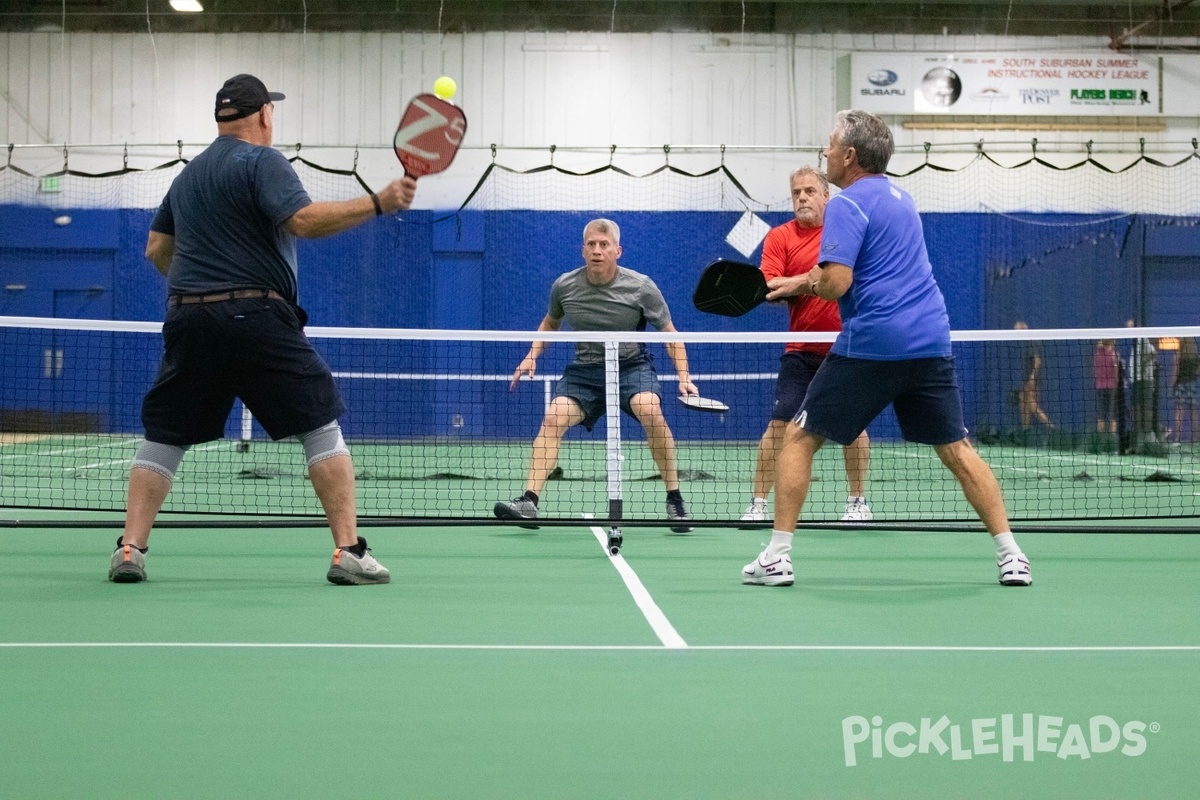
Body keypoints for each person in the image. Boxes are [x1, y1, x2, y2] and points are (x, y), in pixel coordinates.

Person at [108, 74, 417, 585]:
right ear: (264, 116)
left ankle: (130, 549)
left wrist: (201, 287)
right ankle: (349, 553)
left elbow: (156, 250)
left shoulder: (187, 177)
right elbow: (303, 221)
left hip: (188, 317)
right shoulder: (263, 161)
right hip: (255, 316)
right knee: (320, 423)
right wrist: (378, 202)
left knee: (166, 435)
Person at [741, 109, 1032, 588]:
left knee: (799, 437)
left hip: (874, 340)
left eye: (830, 147)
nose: (825, 154)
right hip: (931, 339)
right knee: (957, 449)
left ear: (850, 155)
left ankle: (777, 556)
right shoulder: (903, 199)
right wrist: (798, 279)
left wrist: (804, 282)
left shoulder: (846, 204)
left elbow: (836, 283)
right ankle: (1012, 555)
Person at [494, 218, 698, 532]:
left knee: (651, 410)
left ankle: (675, 499)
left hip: (631, 367)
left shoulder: (641, 287)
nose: (597, 251)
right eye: (591, 244)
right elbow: (551, 322)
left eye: (604, 245)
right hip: (585, 372)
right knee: (553, 418)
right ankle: (529, 501)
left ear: (618, 250)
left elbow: (670, 334)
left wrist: (684, 376)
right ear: (583, 250)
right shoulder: (565, 285)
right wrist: (531, 356)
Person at [739, 166, 872, 524]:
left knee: (855, 427)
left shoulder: (844, 231)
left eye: (810, 191)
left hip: (846, 346)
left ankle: (857, 502)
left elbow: (844, 281)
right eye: (797, 192)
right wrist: (810, 280)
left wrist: (799, 282)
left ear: (826, 196)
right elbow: (770, 285)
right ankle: (758, 503)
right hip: (800, 350)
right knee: (780, 426)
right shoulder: (780, 236)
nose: (802, 197)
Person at [1013, 321, 1052, 431]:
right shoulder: (1025, 342)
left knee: (1031, 404)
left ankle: (1051, 428)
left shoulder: (1031, 341)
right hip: (1026, 378)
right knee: (1022, 402)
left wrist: (1032, 377)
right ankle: (1025, 430)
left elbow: (1037, 361)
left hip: (1032, 379)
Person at [1126, 319, 1159, 449]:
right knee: (1136, 409)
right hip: (1136, 380)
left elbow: (1153, 353)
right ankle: (1139, 436)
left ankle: (1148, 435)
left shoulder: (1142, 338)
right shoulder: (1136, 340)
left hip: (1143, 380)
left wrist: (1140, 364)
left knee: (1144, 408)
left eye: (1129, 327)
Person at [1170, 336, 1199, 443]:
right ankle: (1196, 438)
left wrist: (1171, 385)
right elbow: (1198, 370)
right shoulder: (1195, 353)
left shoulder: (1179, 352)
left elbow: (1175, 369)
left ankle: (1177, 438)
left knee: (1179, 411)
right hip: (1192, 384)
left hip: (1181, 384)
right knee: (1194, 412)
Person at [1093, 339, 1120, 436]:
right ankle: (1112, 438)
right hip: (1112, 387)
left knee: (1101, 413)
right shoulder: (1114, 354)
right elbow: (1117, 371)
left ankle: (1100, 438)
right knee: (1112, 413)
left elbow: (1095, 369)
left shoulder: (1097, 354)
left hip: (1100, 386)